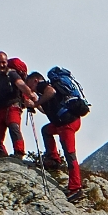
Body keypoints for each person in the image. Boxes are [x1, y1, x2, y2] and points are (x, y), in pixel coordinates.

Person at [26, 67, 88, 200]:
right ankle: (53, 159)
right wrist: (35, 104)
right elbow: (47, 109)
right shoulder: (44, 91)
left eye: (30, 84)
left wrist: (35, 103)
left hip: (67, 124)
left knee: (70, 154)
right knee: (46, 130)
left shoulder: (43, 85)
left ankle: (75, 188)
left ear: (35, 80)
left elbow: (51, 91)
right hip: (66, 122)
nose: (29, 87)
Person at [0, 52, 33, 157]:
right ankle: (2, 156)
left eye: (3, 62)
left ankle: (19, 153)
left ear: (7, 62)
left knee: (14, 127)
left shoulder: (12, 74)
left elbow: (21, 84)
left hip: (12, 106)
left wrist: (31, 96)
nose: (1, 65)